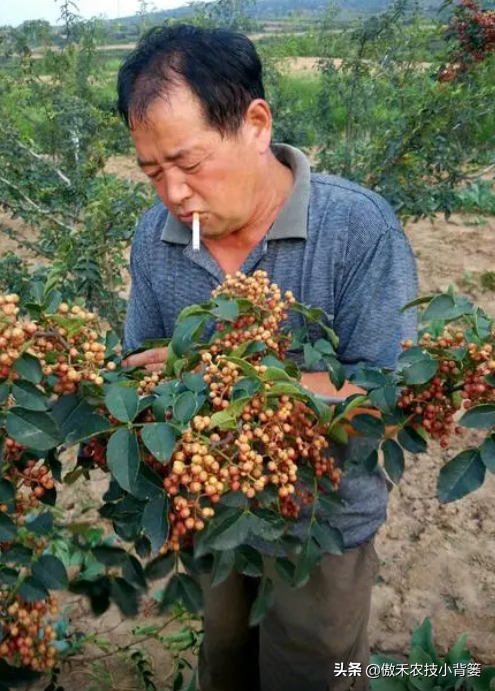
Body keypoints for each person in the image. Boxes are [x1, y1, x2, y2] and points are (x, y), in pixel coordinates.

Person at [116, 23, 418, 691]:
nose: (171, 192)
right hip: (210, 515)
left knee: (315, 671)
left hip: (323, 525)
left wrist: (228, 378)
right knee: (225, 663)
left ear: (256, 123)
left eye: (188, 163)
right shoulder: (154, 235)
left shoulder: (357, 228)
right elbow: (141, 369)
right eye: (151, 171)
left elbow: (389, 401)